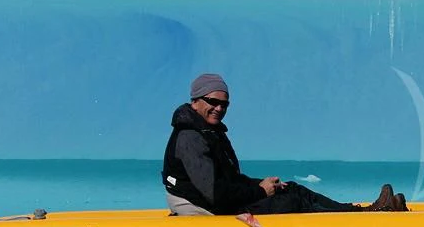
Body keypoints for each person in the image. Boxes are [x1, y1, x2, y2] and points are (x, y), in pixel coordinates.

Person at [163, 73, 407, 215]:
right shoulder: (191, 137)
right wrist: (259, 191)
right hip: (202, 205)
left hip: (212, 198)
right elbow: (215, 193)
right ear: (195, 101)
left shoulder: (209, 131)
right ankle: (365, 217)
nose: (219, 108)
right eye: (213, 101)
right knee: (292, 201)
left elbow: (227, 179)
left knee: (292, 189)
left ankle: (360, 212)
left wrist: (259, 184)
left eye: (224, 104)